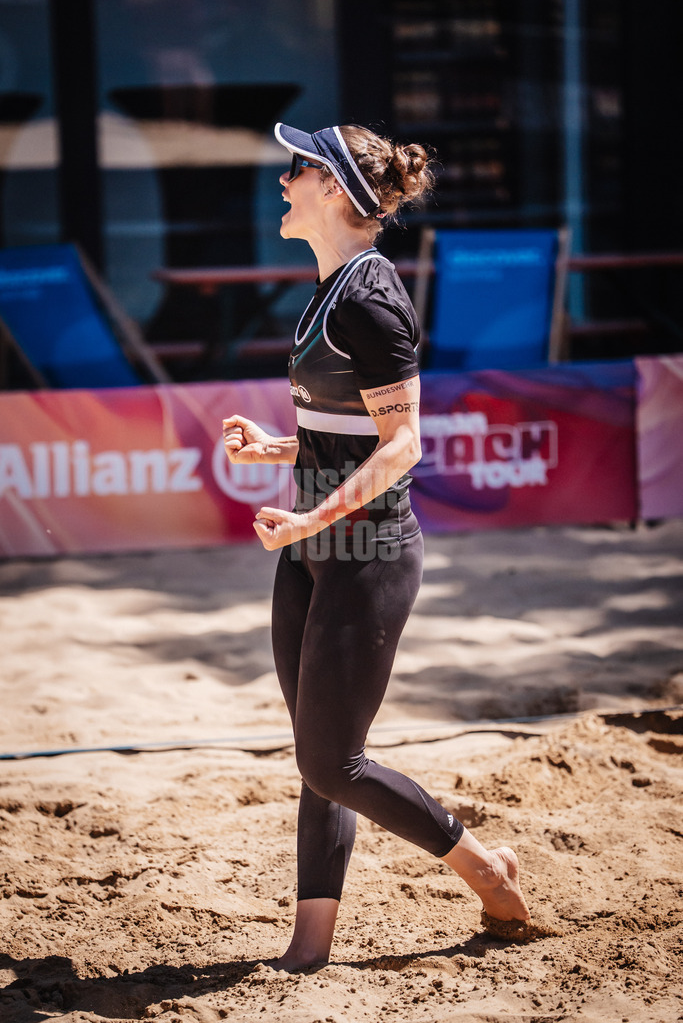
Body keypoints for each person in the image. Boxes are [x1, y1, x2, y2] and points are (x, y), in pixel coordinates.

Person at [222, 122, 531, 971]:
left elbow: (403, 448)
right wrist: (277, 451)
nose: (281, 182)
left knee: (334, 759)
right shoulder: (329, 288)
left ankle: (483, 868)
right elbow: (347, 437)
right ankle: (308, 947)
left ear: (333, 189)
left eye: (296, 170)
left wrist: (307, 521)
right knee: (315, 759)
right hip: (314, 552)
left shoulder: (367, 294)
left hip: (365, 556)